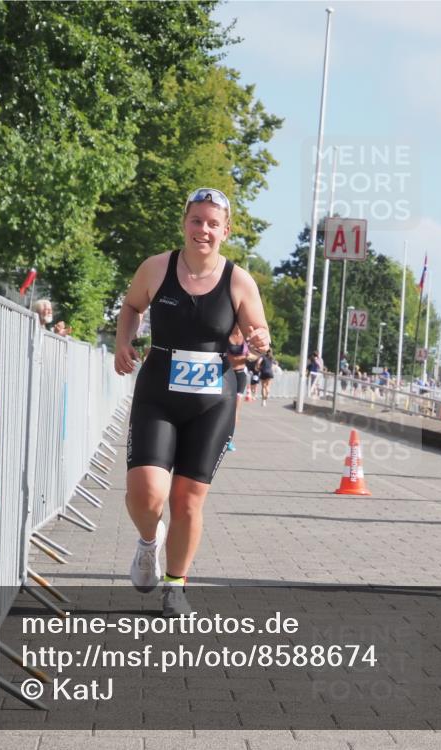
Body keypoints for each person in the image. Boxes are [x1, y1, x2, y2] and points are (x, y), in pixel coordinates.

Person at [114, 187, 271, 616]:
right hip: (158, 393)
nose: (203, 230)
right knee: (146, 494)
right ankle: (149, 542)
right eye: (196, 220)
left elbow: (260, 335)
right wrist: (123, 343)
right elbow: (131, 306)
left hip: (212, 401)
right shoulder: (156, 267)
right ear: (185, 222)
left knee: (186, 500)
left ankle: (175, 584)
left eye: (212, 224)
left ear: (225, 231)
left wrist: (258, 341)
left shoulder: (238, 280)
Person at [226, 326, 250, 451]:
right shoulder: (227, 334)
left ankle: (229, 440)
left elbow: (255, 356)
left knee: (235, 410)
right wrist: (243, 358)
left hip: (240, 374)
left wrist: (249, 357)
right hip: (226, 374)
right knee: (223, 408)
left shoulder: (247, 338)